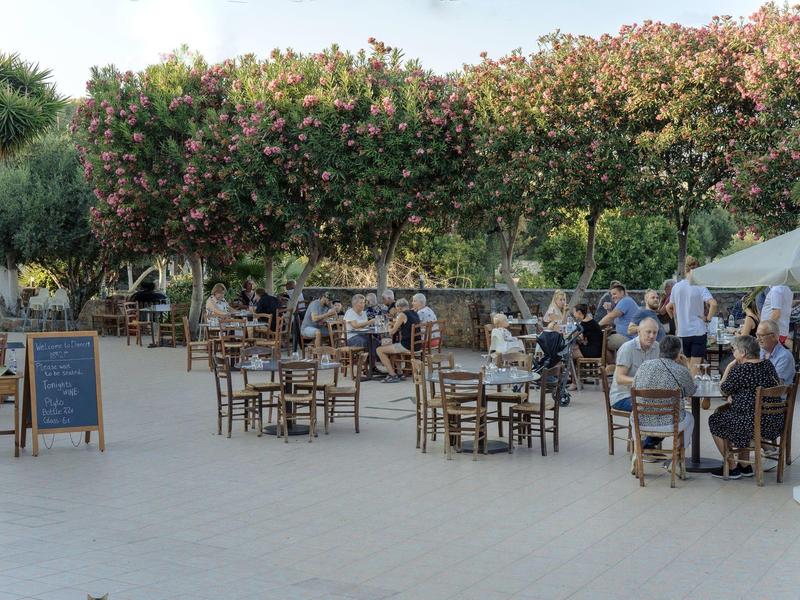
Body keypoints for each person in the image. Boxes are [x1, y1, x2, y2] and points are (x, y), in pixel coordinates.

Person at [708, 335, 782, 479]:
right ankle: (745, 466)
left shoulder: (740, 370)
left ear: (742, 352)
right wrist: (737, 396)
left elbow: (723, 389)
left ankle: (732, 467)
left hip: (753, 423)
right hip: (774, 422)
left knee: (715, 419)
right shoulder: (768, 365)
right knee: (740, 413)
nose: (732, 353)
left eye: (734, 349)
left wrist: (729, 367)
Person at [631, 335, 696, 457]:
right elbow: (690, 391)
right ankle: (678, 456)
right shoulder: (681, 370)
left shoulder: (644, 366)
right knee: (690, 418)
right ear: (678, 352)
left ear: (660, 350)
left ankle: (638, 453)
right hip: (670, 422)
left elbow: (634, 385)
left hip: (641, 420)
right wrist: (686, 365)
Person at [666, 256, 717, 375]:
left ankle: (691, 391)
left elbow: (669, 307)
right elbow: (713, 304)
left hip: (683, 332)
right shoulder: (700, 286)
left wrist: (676, 322)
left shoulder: (676, 287)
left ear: (685, 270)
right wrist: (708, 319)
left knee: (690, 366)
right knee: (694, 369)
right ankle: (690, 392)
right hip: (698, 331)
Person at [609, 318, 661, 426]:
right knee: (650, 408)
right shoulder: (627, 348)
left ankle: (650, 439)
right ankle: (644, 440)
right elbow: (619, 378)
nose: (651, 336)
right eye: (648, 332)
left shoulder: (657, 347)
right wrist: (642, 381)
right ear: (639, 332)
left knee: (669, 406)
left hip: (646, 395)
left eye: (655, 332)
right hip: (623, 396)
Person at [376, 298, 420, 383]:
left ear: (399, 308)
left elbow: (392, 332)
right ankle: (399, 373)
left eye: (397, 310)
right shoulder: (414, 313)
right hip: (416, 344)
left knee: (379, 350)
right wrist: (393, 323)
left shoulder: (402, 315)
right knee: (393, 347)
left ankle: (392, 375)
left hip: (406, 345)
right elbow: (404, 324)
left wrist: (389, 326)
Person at [598, 283, 640, 352]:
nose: (612, 297)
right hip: (627, 337)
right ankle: (614, 362)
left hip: (629, 338)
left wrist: (596, 326)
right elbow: (612, 322)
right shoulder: (623, 303)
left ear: (622, 293)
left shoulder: (625, 301)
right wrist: (608, 310)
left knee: (602, 343)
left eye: (614, 294)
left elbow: (610, 317)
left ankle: (612, 362)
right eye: (611, 295)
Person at [756, 320, 796, 385]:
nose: (758, 339)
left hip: (775, 393)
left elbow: (776, 384)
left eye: (761, 335)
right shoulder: (760, 351)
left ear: (773, 336)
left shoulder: (784, 356)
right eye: (757, 335)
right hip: (760, 391)